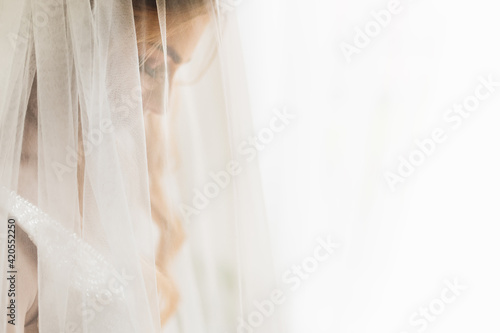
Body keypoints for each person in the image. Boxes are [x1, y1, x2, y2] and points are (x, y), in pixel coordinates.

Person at [2, 0, 213, 331]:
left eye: (175, 73)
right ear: (77, 35)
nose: (161, 106)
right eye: (151, 66)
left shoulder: (110, 175)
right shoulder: (10, 216)